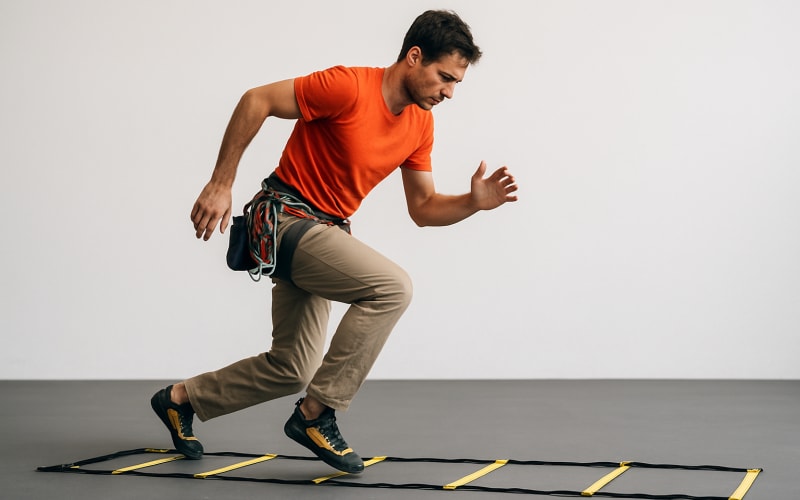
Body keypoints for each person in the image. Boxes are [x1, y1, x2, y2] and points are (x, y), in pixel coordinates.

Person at [150, 9, 518, 474]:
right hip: (283, 219)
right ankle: (317, 415)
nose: (448, 91)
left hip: (323, 232)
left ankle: (180, 400)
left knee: (292, 367)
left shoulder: (420, 124)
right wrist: (221, 183)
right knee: (392, 287)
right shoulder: (347, 86)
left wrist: (472, 201)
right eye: (444, 77)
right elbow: (255, 99)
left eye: (456, 84)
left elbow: (422, 208)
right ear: (414, 57)